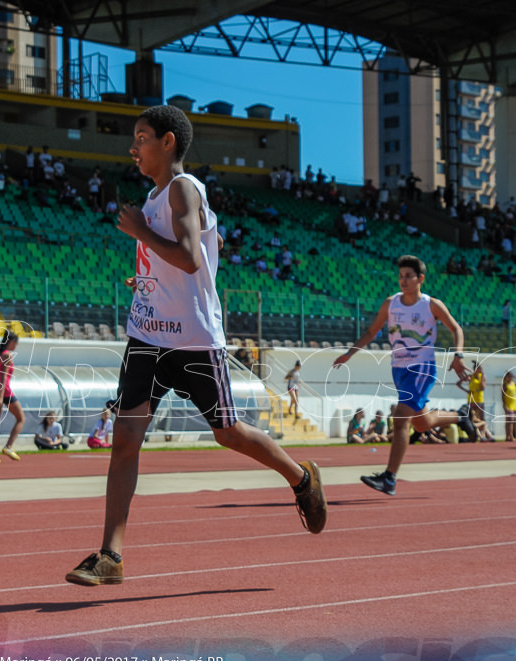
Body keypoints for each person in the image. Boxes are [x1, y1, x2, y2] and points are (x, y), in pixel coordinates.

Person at [65, 106, 326, 586]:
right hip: (147, 336)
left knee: (227, 433)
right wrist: (146, 277)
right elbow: (203, 250)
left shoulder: (185, 188)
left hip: (191, 341)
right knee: (124, 441)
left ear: (167, 142)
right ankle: (110, 557)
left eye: (141, 138)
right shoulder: (157, 195)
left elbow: (188, 258)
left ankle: (301, 478)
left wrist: (141, 234)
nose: (133, 147)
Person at [333, 254, 472, 496]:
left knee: (400, 418)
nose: (403, 280)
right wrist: (349, 354)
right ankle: (460, 417)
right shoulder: (390, 304)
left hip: (422, 367)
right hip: (398, 368)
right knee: (422, 422)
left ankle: (390, 477)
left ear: (421, 279)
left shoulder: (431, 305)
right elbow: (371, 331)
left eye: (409, 276)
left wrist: (458, 355)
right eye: (401, 276)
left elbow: (456, 328)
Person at [0, 331, 24, 464]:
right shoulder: (7, 355)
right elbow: (3, 376)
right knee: (21, 418)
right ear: (11, 342)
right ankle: (8, 446)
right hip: (4, 392)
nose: (16, 346)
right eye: (16, 343)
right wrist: (1, 397)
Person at [502, 372, 516, 441]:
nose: (510, 378)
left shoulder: (513, 383)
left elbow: (514, 395)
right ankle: (510, 436)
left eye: (511, 377)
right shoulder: (505, 385)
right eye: (509, 376)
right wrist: (505, 406)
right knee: (510, 421)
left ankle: (515, 435)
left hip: (514, 405)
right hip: (508, 405)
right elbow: (503, 397)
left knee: (515, 421)